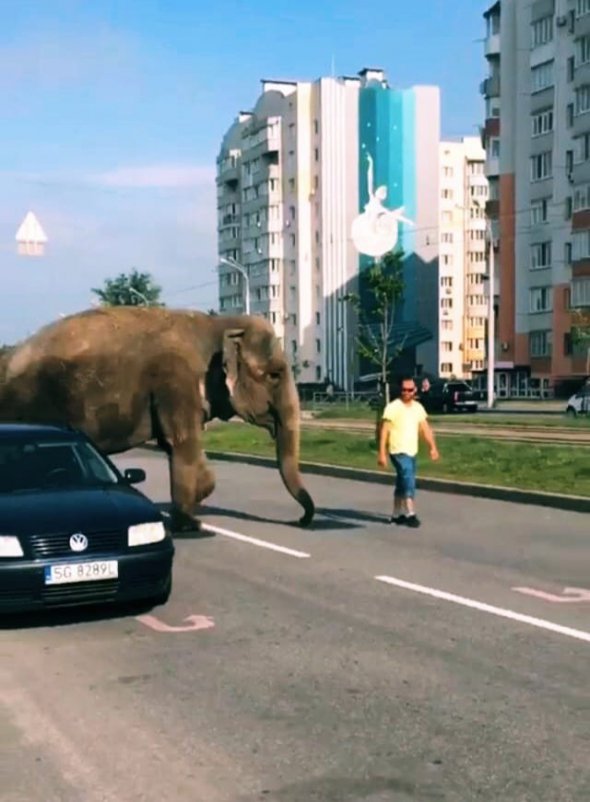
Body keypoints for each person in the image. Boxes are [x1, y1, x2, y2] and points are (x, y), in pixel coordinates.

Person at [377, 376, 439, 528]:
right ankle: (411, 513)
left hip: (412, 451)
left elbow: (426, 429)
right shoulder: (393, 407)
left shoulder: (418, 408)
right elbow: (384, 431)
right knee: (408, 477)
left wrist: (433, 447)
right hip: (397, 450)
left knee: (402, 481)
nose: (406, 392)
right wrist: (382, 453)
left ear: (415, 390)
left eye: (410, 390)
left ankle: (396, 515)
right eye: (404, 390)